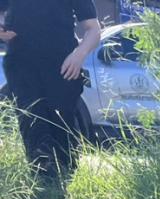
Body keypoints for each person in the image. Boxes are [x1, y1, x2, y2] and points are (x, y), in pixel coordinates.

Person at [0, 0, 101, 179]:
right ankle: (39, 185)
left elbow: (93, 28)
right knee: (32, 126)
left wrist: (79, 55)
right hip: (21, 66)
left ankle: (66, 184)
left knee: (62, 128)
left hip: (63, 66)